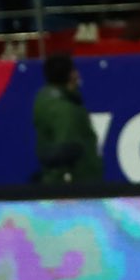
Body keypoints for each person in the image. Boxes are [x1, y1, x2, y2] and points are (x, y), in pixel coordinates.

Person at [32, 53, 102, 185]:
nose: (78, 75)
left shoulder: (45, 99)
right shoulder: (65, 109)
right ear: (71, 75)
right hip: (77, 183)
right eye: (74, 70)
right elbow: (66, 151)